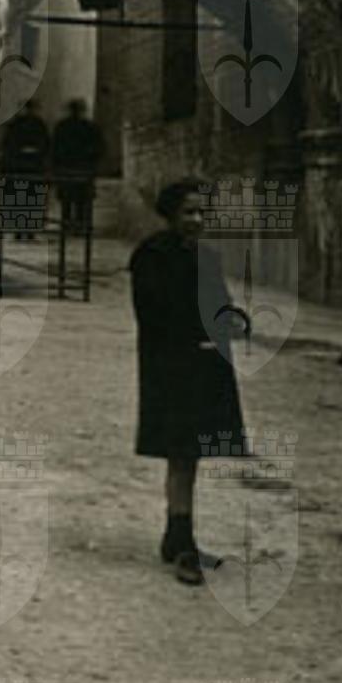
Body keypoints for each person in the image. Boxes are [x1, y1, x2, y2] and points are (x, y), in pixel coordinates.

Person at [129, 178, 247, 586]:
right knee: (180, 452)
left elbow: (220, 303)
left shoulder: (207, 257)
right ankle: (183, 543)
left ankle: (176, 534)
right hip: (171, 366)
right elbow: (153, 313)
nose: (196, 220)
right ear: (170, 214)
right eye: (188, 212)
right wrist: (200, 330)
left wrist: (232, 320)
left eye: (202, 213)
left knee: (191, 453)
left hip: (205, 364)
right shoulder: (151, 256)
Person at [51, 97, 104, 249]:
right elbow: (98, 147)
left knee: (67, 200)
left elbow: (55, 148)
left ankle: (67, 225)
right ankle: (80, 225)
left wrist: (57, 165)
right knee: (82, 200)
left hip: (67, 167)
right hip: (83, 167)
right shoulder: (89, 127)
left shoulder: (62, 127)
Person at [0, 98, 49, 242]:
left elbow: (7, 146)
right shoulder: (37, 125)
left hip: (20, 168)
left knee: (22, 200)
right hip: (30, 168)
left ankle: (22, 230)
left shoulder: (16, 125)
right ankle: (27, 230)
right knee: (30, 200)